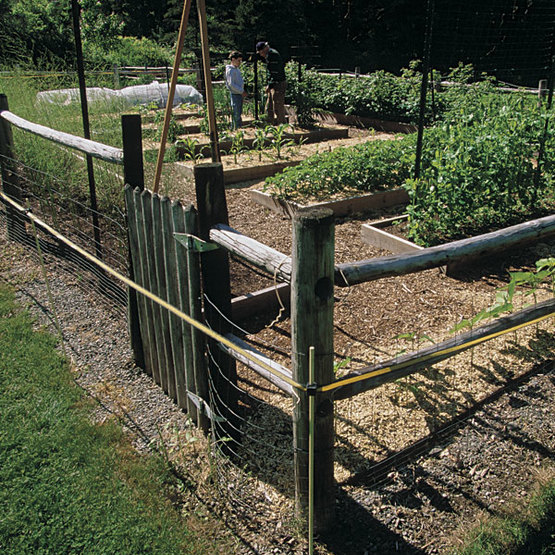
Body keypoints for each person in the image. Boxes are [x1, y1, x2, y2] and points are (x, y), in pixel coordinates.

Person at [256, 41, 287, 125]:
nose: (260, 55)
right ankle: (269, 123)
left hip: (278, 83)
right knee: (269, 105)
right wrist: (269, 84)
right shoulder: (269, 55)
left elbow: (275, 72)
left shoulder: (273, 55)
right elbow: (270, 72)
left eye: (261, 52)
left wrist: (270, 85)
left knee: (277, 105)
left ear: (265, 49)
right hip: (274, 83)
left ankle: (281, 125)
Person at [225, 51, 247, 130]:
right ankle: (235, 128)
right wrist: (241, 91)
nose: (240, 62)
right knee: (236, 112)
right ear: (233, 59)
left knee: (239, 112)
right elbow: (231, 84)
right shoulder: (230, 70)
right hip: (235, 94)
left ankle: (238, 127)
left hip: (239, 93)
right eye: (238, 60)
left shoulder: (236, 69)